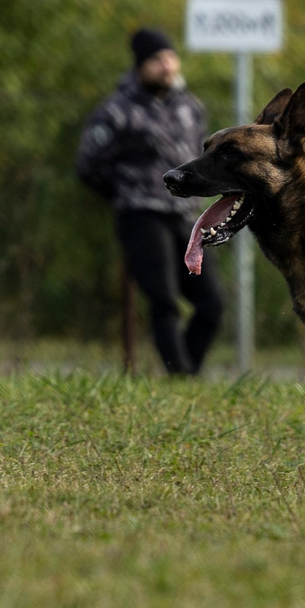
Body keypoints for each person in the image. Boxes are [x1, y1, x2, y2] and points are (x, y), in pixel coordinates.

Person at [77, 27, 223, 374]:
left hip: (184, 214)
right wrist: (125, 195)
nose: (167, 66)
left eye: (170, 57)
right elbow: (88, 164)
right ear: (140, 65)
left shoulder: (190, 107)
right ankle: (180, 377)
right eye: (157, 60)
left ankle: (186, 373)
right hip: (140, 214)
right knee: (164, 301)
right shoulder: (117, 111)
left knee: (211, 303)